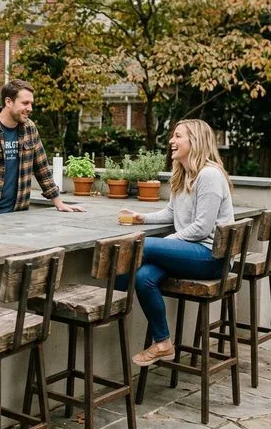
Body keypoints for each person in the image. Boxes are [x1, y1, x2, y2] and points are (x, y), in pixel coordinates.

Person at [116, 119, 234, 366]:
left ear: (195, 141)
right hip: (190, 252)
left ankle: (115, 303)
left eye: (178, 136)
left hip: (211, 258)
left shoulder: (209, 175)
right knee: (143, 277)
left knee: (142, 246)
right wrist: (142, 218)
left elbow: (202, 228)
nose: (172, 140)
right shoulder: (183, 174)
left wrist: (166, 243)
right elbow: (171, 213)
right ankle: (163, 343)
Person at [0, 79, 84, 220]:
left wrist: (59, 203)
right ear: (8, 102)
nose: (30, 108)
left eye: (31, 103)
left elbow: (42, 169)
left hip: (19, 213)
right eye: (25, 103)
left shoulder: (29, 128)